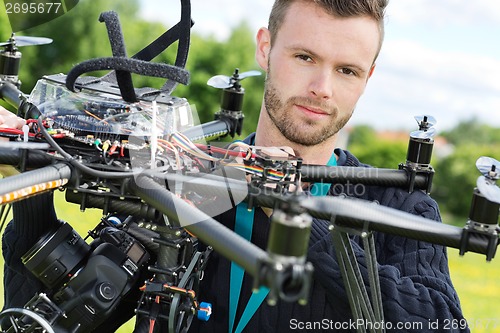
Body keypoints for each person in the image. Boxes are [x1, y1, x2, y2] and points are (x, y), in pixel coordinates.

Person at [0, 1, 468, 332]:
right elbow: (38, 319)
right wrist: (28, 189)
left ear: (367, 78)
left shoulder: (399, 205)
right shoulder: (191, 178)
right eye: (304, 57)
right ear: (265, 48)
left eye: (347, 70)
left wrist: (298, 218)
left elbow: (441, 324)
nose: (322, 87)